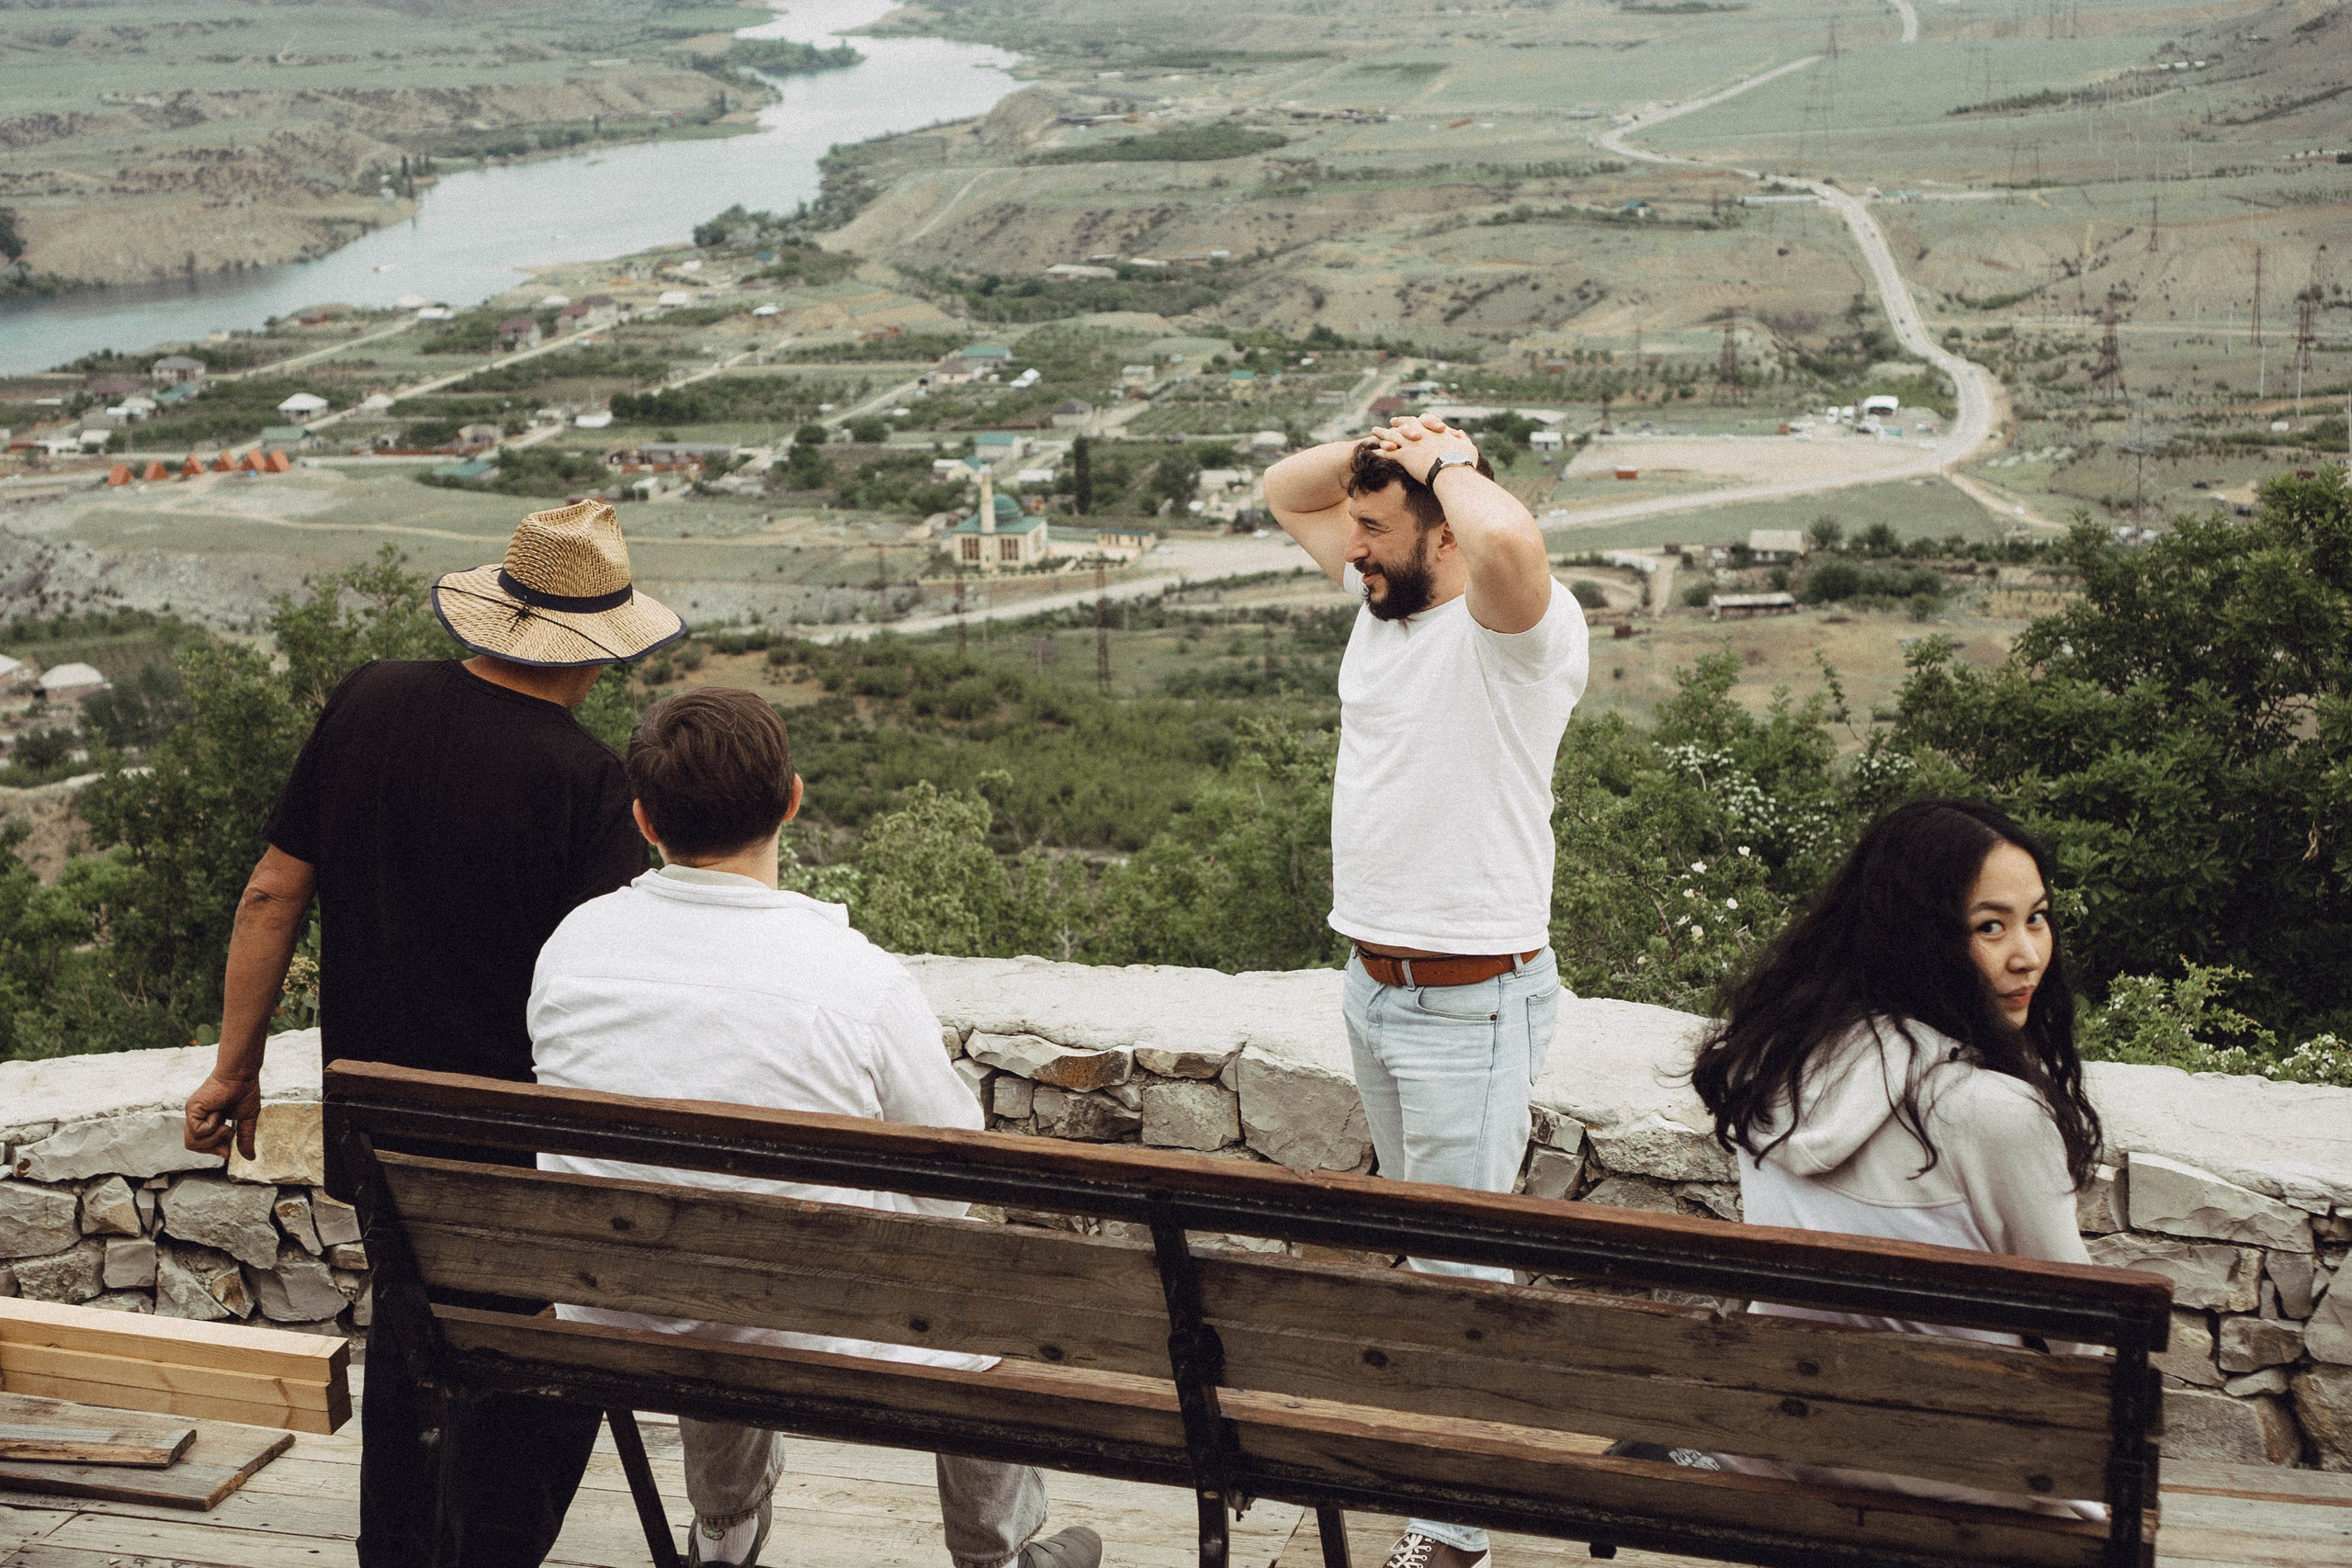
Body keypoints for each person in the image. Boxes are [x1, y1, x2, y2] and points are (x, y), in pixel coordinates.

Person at [182, 499, 685, 1568]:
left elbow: (272, 894)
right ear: (599, 648)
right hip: (510, 1133)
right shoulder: (591, 785)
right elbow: (613, 987)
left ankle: (396, 1548)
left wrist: (237, 1068)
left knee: (414, 1333)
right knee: (532, 1357)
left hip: (376, 1120)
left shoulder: (370, 698)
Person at [527, 686, 1103, 1568]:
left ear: (645, 819)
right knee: (985, 1293)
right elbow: (958, 1174)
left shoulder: (573, 947)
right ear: (793, 798)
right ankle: (998, 1552)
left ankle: (724, 1528)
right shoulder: (854, 979)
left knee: (706, 1255)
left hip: (617, 1304)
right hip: (803, 1315)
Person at [1263, 415, 1589, 1568]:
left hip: (1470, 1005)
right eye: (1354, 529)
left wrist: (1447, 460)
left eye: (1375, 530)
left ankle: (1453, 1535)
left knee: (1460, 1275)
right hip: (1377, 989)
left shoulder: (1513, 634)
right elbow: (1281, 490)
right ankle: (1440, 1484)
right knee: (1425, 1254)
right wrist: (1380, 440)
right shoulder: (1381, 605)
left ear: (1442, 532)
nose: (1348, 547)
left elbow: (1511, 547)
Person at [1683, 798, 2106, 1515]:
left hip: (1776, 1447)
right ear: (1922, 937)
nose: (2027, 952)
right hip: (1973, 1479)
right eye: (1989, 926)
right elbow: (2080, 1339)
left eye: (2036, 917)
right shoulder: (1990, 1114)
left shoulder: (1771, 1065)